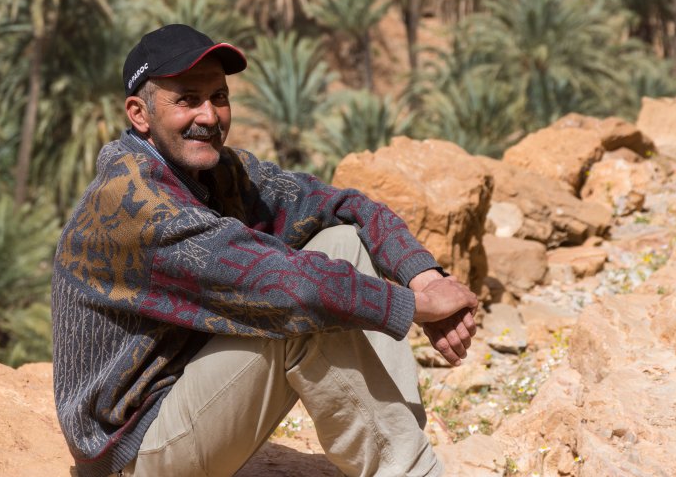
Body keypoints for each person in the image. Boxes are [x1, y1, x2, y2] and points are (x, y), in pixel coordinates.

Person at [52, 24, 479, 477]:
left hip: (185, 398)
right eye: (187, 99)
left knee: (342, 242)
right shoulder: (134, 205)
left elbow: (341, 205)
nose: (209, 116)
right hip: (133, 453)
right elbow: (292, 289)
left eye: (219, 96)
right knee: (307, 308)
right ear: (139, 114)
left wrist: (425, 276)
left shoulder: (215, 172)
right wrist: (418, 306)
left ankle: (402, 442)